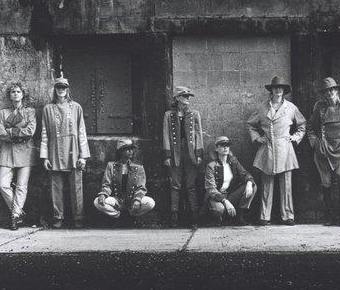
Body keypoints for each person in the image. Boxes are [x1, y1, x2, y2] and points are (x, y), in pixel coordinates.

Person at [247, 76, 306, 226]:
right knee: (267, 185)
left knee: (286, 185)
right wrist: (257, 138)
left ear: (284, 91)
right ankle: (264, 217)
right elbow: (251, 125)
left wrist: (295, 137)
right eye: (275, 88)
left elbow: (302, 125)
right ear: (271, 90)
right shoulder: (262, 108)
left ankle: (288, 216)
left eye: (281, 88)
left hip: (285, 149)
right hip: (268, 149)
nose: (278, 90)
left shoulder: (291, 108)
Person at [306, 77, 340, 227]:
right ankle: (329, 216)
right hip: (322, 151)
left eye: (332, 90)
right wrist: (315, 143)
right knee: (326, 183)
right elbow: (310, 127)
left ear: (337, 91)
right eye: (326, 91)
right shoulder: (319, 108)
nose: (329, 93)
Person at [40, 77, 90, 229]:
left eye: (64, 87)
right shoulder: (48, 109)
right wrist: (45, 157)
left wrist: (83, 156)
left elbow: (82, 132)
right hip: (55, 149)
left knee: (77, 186)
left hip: (73, 149)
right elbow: (44, 133)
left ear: (68, 89)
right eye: (58, 87)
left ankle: (78, 217)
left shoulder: (76, 107)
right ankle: (58, 216)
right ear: (54, 89)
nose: (61, 90)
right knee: (56, 186)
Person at [0, 82, 38, 230]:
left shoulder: (30, 112)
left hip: (25, 152)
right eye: (13, 92)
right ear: (9, 95)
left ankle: (14, 217)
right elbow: (1, 134)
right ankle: (19, 212)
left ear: (23, 94)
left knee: (21, 187)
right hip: (7, 152)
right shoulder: (3, 113)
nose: (15, 94)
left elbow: (31, 131)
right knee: (2, 185)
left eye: (18, 91)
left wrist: (12, 131)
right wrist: (20, 133)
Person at [163, 86, 204, 228]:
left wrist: (199, 154)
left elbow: (199, 134)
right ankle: (174, 215)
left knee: (191, 184)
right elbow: (166, 135)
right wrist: (167, 155)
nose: (188, 99)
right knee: (175, 185)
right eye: (185, 96)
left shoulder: (194, 114)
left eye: (188, 96)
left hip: (190, 152)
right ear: (177, 98)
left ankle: (193, 215)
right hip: (175, 152)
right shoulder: (169, 115)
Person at [94, 138, 155, 225]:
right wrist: (103, 195)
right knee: (97, 202)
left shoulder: (138, 167)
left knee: (150, 203)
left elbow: (141, 187)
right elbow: (107, 184)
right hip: (117, 200)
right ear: (120, 152)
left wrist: (137, 200)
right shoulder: (111, 166)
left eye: (131, 149)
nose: (130, 151)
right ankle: (117, 215)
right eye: (127, 149)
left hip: (132, 200)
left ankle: (131, 214)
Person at [203, 136, 257, 226]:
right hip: (216, 197)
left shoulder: (233, 161)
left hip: (230, 195)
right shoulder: (211, 166)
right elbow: (211, 189)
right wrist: (225, 201)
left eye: (227, 145)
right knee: (219, 209)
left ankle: (239, 216)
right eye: (222, 145)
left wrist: (249, 182)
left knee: (253, 186)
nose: (225, 147)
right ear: (216, 148)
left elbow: (245, 174)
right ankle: (216, 219)